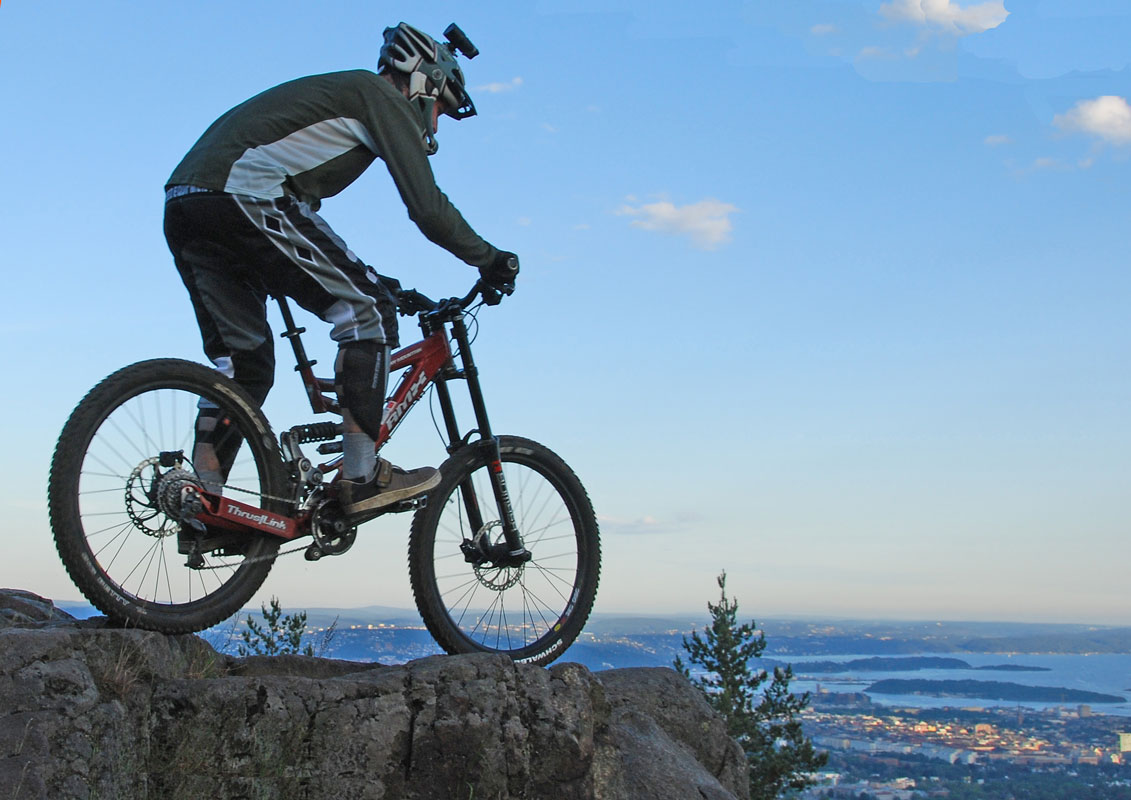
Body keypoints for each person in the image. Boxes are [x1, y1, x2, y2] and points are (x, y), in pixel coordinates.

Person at [163, 22, 517, 522]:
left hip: (189, 203)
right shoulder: (381, 97)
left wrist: (385, 283)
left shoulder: (343, 97)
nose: (435, 126)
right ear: (425, 81)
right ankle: (361, 476)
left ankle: (203, 503)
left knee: (246, 366)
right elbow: (428, 209)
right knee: (368, 312)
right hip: (244, 191)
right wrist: (491, 259)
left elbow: (306, 232)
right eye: (440, 109)